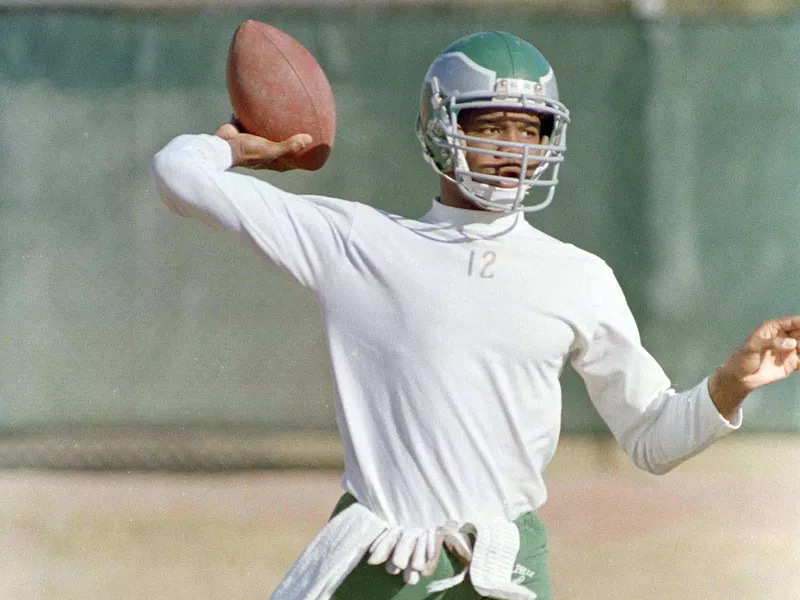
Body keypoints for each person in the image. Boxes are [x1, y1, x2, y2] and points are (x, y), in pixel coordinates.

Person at [150, 31, 799, 600]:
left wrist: (728, 384)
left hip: (504, 567)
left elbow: (652, 440)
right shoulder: (357, 242)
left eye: (531, 127)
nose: (513, 146)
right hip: (379, 560)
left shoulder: (579, 276)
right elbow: (180, 175)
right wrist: (240, 150)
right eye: (490, 123)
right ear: (439, 125)